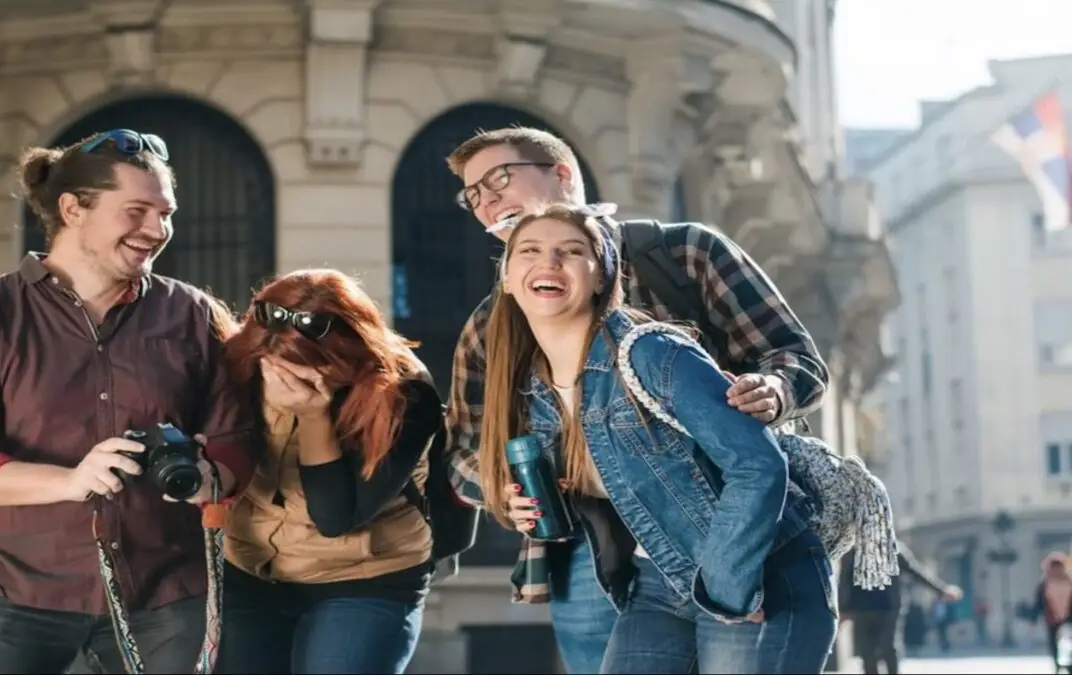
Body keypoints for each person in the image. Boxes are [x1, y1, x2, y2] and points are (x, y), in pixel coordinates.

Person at [443, 126, 831, 672]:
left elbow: (795, 363)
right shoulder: (492, 327)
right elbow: (465, 442)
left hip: (725, 530)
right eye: (474, 194)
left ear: (563, 176)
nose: (488, 201)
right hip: (589, 545)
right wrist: (502, 492)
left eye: (499, 178)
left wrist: (773, 390)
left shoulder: (682, 257)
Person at [0, 129, 260, 674]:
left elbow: (236, 437)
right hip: (9, 592)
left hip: (166, 598)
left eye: (165, 213)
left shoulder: (193, 314)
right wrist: (68, 481)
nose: (158, 229)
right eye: (137, 210)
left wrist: (218, 478)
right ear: (72, 209)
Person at [215, 269, 445, 674]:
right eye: (273, 364)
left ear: (346, 356)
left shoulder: (403, 391)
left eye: (300, 369)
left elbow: (336, 517)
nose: (282, 377)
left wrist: (314, 416)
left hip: (365, 577)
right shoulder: (247, 361)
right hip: (251, 569)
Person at [839, 542, 962, 675]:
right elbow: (844, 580)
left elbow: (916, 572)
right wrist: (842, 609)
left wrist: (941, 590)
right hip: (862, 609)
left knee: (888, 647)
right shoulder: (853, 552)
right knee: (867, 652)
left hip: (888, 607)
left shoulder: (893, 548)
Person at [1031, 553, 1072, 673]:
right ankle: (1059, 665)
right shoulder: (1044, 584)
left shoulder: (1068, 582)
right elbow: (1039, 602)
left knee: (1066, 642)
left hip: (1067, 619)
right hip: (1053, 619)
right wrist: (1033, 618)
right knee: (1054, 645)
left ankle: (1066, 664)